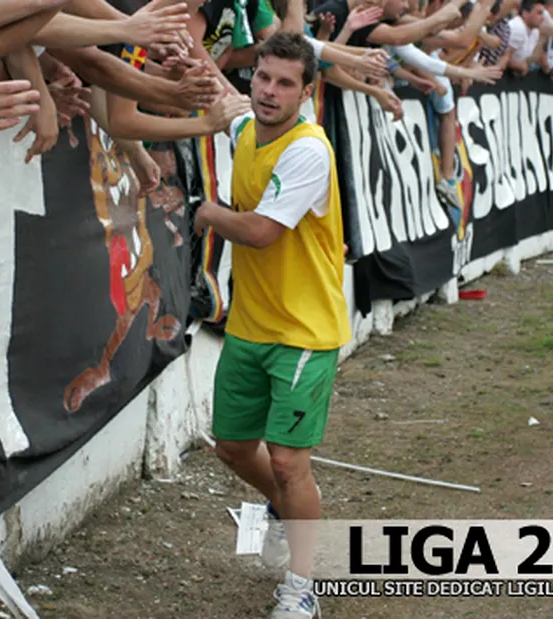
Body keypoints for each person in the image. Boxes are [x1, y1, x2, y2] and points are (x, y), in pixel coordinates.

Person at [193, 31, 350, 619]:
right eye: (262, 77)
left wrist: (205, 211)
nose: (269, 91)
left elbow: (261, 230)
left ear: (306, 94)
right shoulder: (245, 127)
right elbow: (217, 92)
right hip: (251, 326)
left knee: (287, 461)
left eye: (286, 83)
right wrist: (187, 54)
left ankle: (302, 584)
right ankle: (286, 511)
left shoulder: (308, 149)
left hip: (305, 333)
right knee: (233, 449)